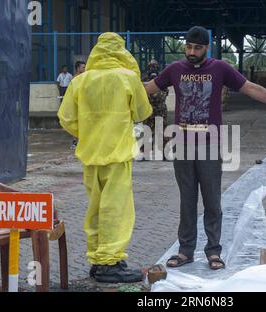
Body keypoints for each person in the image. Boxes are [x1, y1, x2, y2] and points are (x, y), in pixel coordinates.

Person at [144, 26, 266, 270]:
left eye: (197, 48)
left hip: (210, 144)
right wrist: (115, 80)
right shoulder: (174, 69)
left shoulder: (220, 69)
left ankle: (213, 251)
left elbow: (252, 88)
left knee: (211, 199)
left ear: (206, 48)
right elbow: (146, 88)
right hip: (182, 145)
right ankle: (185, 251)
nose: (191, 52)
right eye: (188, 47)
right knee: (186, 200)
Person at [58, 32, 153, 283]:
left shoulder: (80, 81)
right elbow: (143, 111)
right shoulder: (128, 78)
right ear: (121, 51)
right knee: (116, 209)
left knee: (95, 209)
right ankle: (110, 262)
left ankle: (98, 259)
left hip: (90, 154)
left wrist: (89, 132)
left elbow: (66, 118)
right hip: (118, 153)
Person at [140, 59, 170, 161]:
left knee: (161, 131)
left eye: (154, 66)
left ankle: (164, 153)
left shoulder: (161, 79)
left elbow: (164, 93)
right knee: (148, 130)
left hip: (158, 110)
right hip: (150, 110)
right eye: (151, 66)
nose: (152, 68)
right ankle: (145, 152)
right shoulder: (145, 79)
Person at [71, 61, 87, 150]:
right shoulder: (74, 79)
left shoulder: (85, 77)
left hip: (84, 104)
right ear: (77, 68)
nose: (84, 69)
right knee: (76, 122)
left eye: (85, 67)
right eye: (83, 67)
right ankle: (75, 141)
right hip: (77, 103)